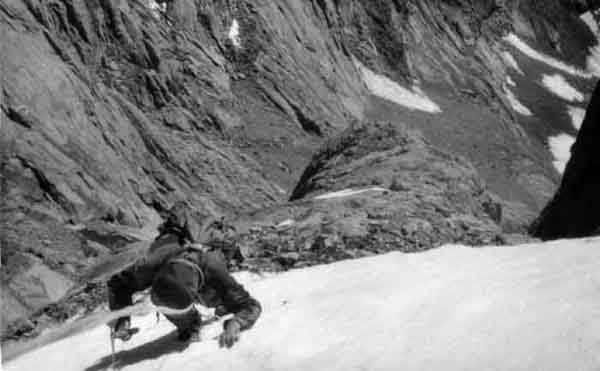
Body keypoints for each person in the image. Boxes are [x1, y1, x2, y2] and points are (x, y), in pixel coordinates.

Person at [107, 202, 261, 347]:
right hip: (183, 270)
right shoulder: (152, 263)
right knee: (176, 306)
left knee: (218, 296)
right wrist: (122, 321)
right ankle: (189, 325)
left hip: (205, 270)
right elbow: (118, 285)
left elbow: (251, 306)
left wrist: (236, 323)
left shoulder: (213, 266)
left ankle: (219, 304)